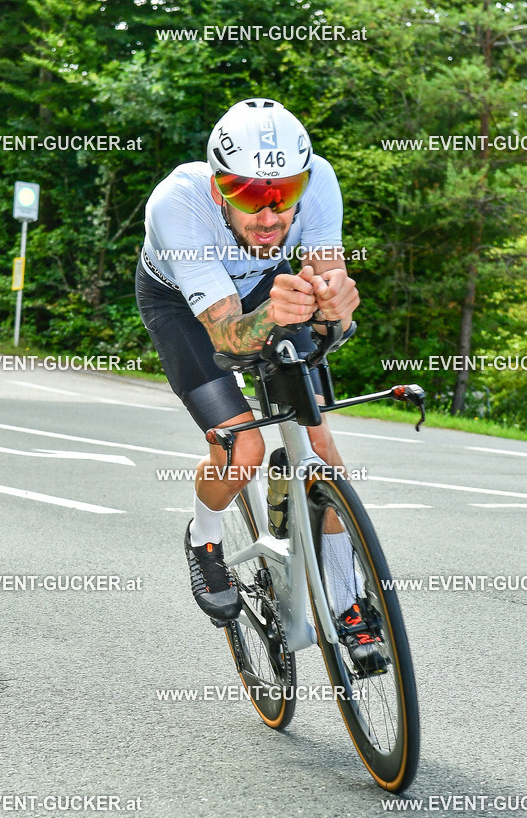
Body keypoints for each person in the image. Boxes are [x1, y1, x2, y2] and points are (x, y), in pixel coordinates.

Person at [136, 98, 384, 675]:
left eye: (284, 194)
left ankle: (346, 599)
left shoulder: (320, 181)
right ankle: (203, 537)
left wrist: (336, 311)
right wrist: (278, 317)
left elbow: (330, 289)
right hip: (188, 307)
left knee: (322, 448)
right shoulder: (179, 205)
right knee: (242, 446)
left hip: (265, 292)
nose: (270, 217)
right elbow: (225, 337)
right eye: (250, 196)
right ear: (220, 188)